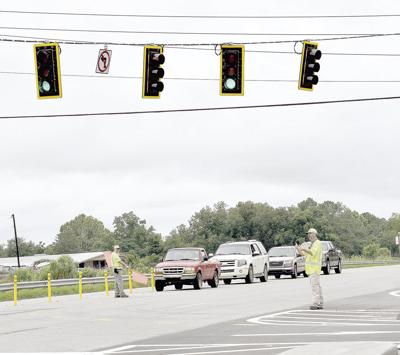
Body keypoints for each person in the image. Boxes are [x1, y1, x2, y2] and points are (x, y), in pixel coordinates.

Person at [296, 228, 323, 310]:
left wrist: (304, 248)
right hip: (311, 269)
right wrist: (298, 248)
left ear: (315, 234)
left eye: (310, 233)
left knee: (315, 286)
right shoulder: (311, 244)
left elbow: (312, 253)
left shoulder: (317, 243)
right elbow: (304, 254)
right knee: (317, 286)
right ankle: (320, 303)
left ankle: (316, 303)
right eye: (308, 234)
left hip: (314, 268)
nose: (309, 235)